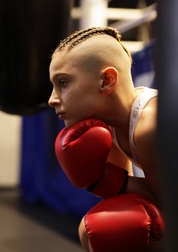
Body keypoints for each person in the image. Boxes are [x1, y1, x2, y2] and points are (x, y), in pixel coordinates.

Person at [48, 26, 164, 251]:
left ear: (107, 81)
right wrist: (110, 181)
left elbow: (167, 205)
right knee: (95, 229)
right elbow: (127, 194)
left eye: (63, 83)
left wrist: (102, 179)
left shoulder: (151, 126)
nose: (52, 99)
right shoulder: (108, 125)